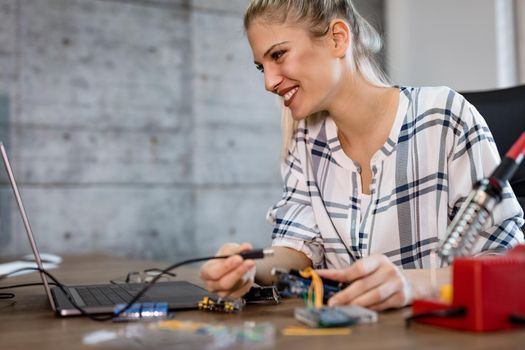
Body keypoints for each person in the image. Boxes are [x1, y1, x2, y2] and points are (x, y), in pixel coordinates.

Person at [199, 0, 524, 311]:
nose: (269, 82)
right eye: (261, 67)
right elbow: (297, 248)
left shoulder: (443, 116)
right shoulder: (306, 141)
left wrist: (415, 284)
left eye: (279, 54)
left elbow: (509, 265)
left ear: (338, 39)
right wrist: (246, 268)